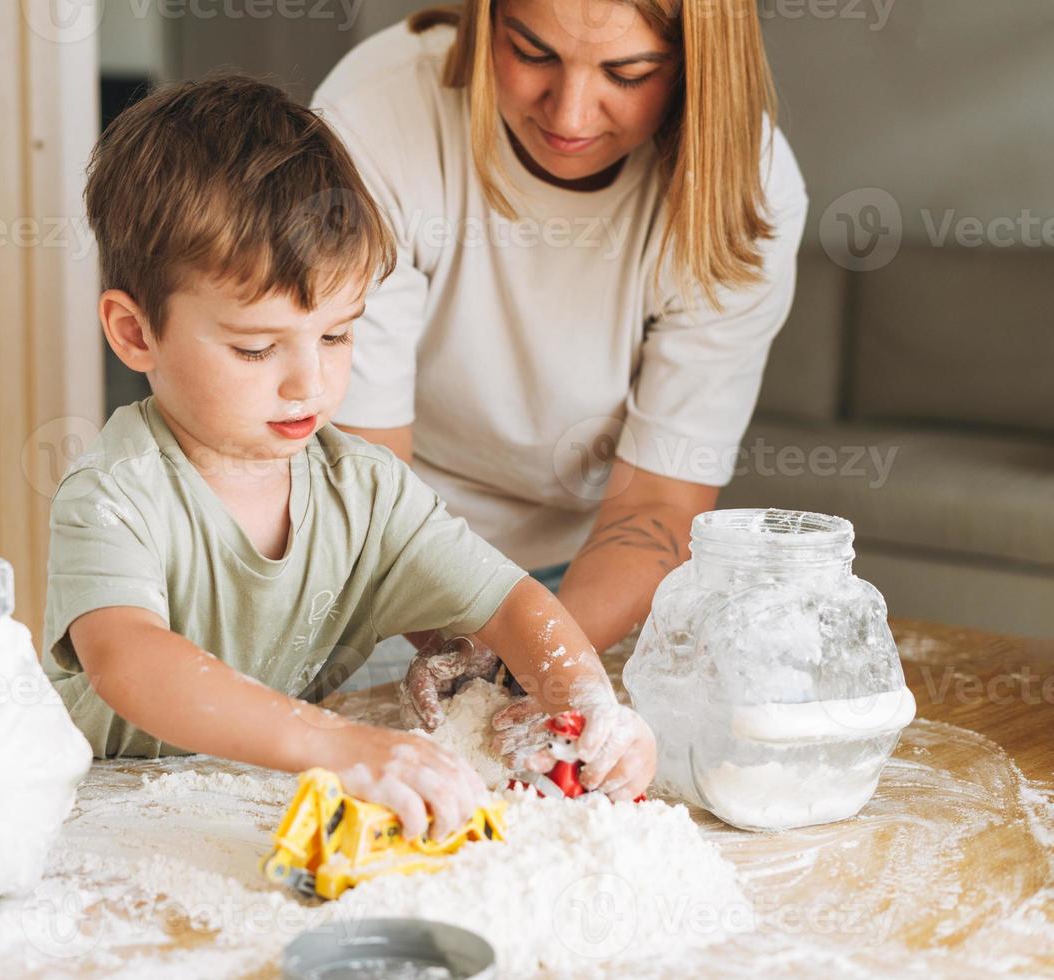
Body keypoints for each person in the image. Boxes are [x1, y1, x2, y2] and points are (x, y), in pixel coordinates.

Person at [40, 74, 657, 842]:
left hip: (252, 805)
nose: (310, 381)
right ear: (135, 334)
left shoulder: (363, 491)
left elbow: (508, 603)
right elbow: (130, 662)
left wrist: (587, 705)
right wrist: (339, 746)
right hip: (104, 822)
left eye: (335, 335)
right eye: (256, 347)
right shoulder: (115, 493)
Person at [310, 0, 809, 729]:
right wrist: (483, 648)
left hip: (587, 576)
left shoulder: (745, 192)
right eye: (532, 52)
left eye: (626, 72)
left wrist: (534, 655)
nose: (570, 115)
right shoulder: (376, 119)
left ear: (694, 68)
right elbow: (367, 477)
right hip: (376, 558)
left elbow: (657, 506)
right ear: (485, 20)